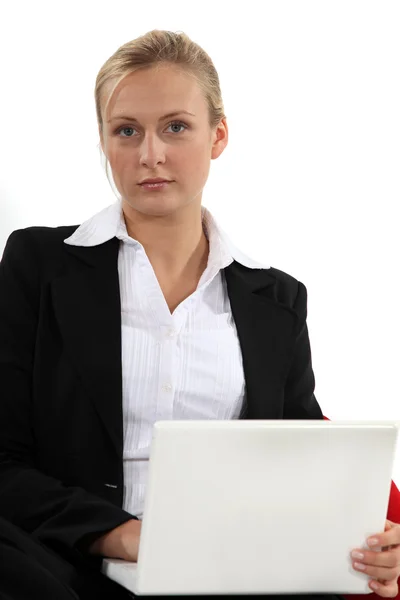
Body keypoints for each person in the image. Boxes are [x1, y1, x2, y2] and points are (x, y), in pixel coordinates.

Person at [0, 28, 399, 600]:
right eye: (126, 131)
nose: (150, 154)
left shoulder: (276, 300)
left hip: (231, 570)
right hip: (63, 564)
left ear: (219, 136)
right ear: (104, 141)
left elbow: (308, 464)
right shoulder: (37, 266)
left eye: (176, 127)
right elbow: (5, 461)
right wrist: (129, 535)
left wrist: (373, 544)